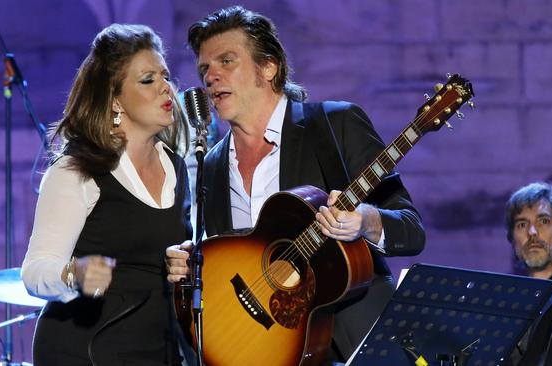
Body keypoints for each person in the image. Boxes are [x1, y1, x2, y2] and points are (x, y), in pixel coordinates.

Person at [165, 6, 425, 364]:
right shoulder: (211, 165)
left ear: (269, 67)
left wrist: (366, 220)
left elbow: (411, 229)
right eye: (205, 69)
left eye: (227, 61)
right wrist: (192, 264)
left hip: (356, 337)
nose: (212, 77)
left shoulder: (335, 124)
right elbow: (234, 266)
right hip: (271, 349)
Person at [21, 23, 193, 366]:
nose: (166, 89)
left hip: (158, 349)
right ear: (115, 99)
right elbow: (34, 272)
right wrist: (77, 274)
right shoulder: (77, 170)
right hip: (84, 350)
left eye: (166, 76)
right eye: (148, 80)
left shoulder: (178, 166)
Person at [505, 182, 552, 366]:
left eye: (543, 221)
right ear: (512, 240)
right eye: (522, 224)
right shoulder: (506, 303)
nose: (532, 232)